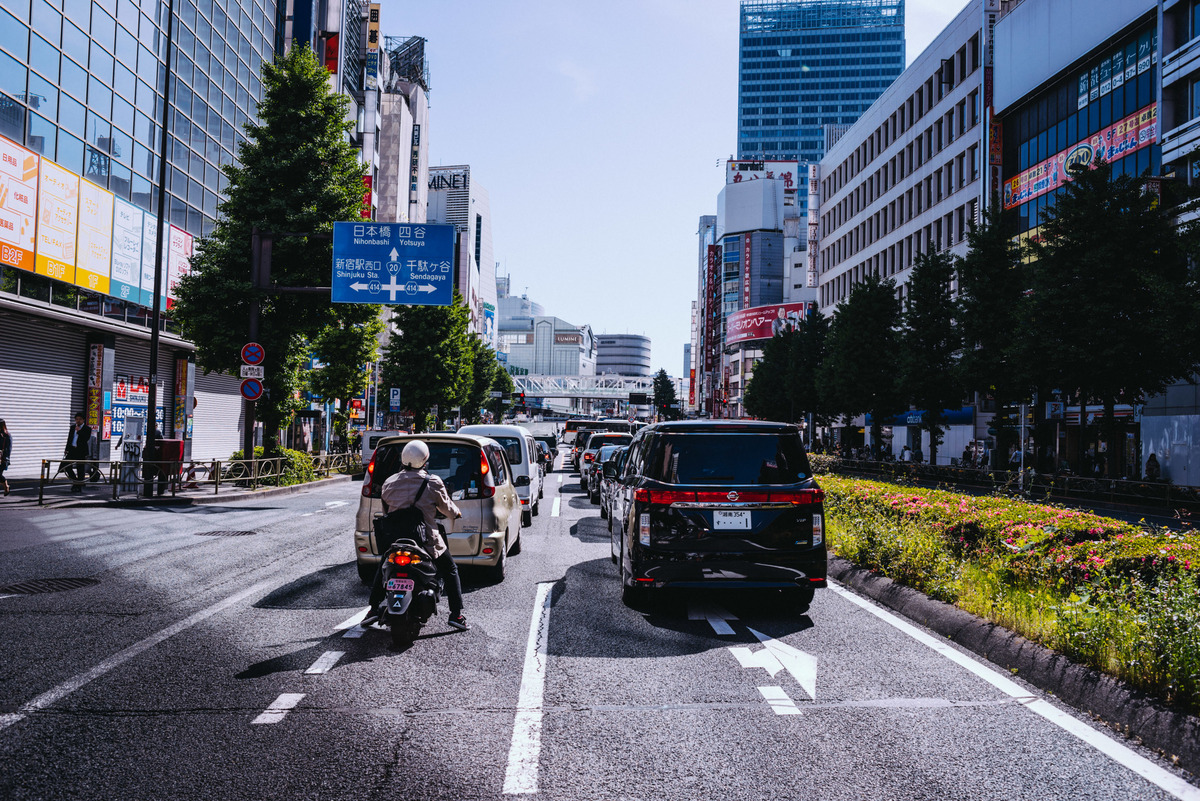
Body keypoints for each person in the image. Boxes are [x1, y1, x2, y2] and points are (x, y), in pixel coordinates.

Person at [364, 440, 469, 631]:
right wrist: (456, 513)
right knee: (450, 569)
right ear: (425, 460)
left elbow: (387, 512)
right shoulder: (432, 482)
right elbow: (447, 508)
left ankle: (372, 609)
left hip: (395, 540)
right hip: (425, 541)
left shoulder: (389, 482)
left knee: (384, 565)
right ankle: (456, 615)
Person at [64, 412, 91, 492]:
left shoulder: (87, 429)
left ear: (83, 420)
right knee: (66, 466)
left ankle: (78, 486)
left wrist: (79, 431)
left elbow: (86, 439)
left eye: (80, 419)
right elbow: (69, 438)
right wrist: (66, 449)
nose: (78, 421)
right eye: (76, 419)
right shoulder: (72, 427)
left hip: (81, 451)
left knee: (80, 469)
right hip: (72, 449)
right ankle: (76, 482)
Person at [0, 419, 10, 496]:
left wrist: (4, 459)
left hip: (2, 459)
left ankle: (6, 486)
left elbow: (8, 449)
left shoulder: (7, 436)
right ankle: (5, 486)